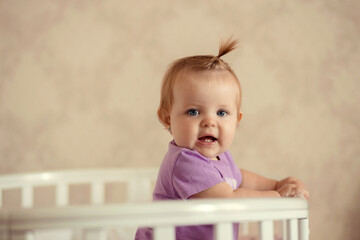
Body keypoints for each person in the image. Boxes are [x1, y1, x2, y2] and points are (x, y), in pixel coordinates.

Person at [135, 38, 309, 240]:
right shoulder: (185, 162)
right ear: (167, 119)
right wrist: (277, 196)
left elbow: (241, 178)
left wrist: (276, 183)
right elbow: (228, 201)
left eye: (221, 113)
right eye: (193, 111)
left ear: (237, 120)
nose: (209, 122)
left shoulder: (221, 157)